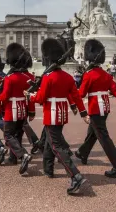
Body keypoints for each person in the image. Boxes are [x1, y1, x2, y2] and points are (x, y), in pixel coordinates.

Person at [26, 38, 89, 194]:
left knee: (56, 146)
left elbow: (41, 98)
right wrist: (83, 113)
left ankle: (75, 175)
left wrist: (30, 96)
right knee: (48, 141)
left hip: (52, 113)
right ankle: (48, 168)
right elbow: (76, 97)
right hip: (61, 114)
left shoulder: (48, 77)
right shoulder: (68, 77)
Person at [75, 39, 116, 178]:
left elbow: (81, 94)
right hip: (105, 107)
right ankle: (83, 153)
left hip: (95, 108)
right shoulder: (106, 75)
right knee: (93, 132)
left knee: (103, 137)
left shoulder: (88, 75)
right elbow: (115, 90)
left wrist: (69, 97)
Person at [0, 43, 34, 174]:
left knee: (8, 135)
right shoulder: (28, 77)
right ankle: (13, 157)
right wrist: (31, 111)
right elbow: (30, 96)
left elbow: (5, 96)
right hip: (23, 109)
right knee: (18, 135)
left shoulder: (10, 78)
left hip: (12, 109)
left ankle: (22, 155)